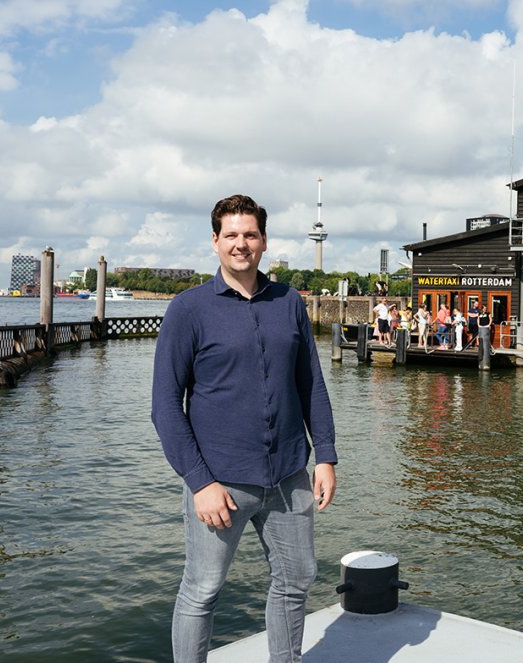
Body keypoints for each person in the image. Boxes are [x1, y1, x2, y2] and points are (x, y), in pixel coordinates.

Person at [151, 194, 338, 663]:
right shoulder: (188, 309)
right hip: (221, 482)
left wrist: (327, 456)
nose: (241, 244)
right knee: (203, 589)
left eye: (250, 234)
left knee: (296, 580)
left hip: (289, 477)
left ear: (264, 241)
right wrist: (199, 482)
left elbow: (311, 383)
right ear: (215, 242)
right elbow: (165, 406)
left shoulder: (289, 302)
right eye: (231, 235)